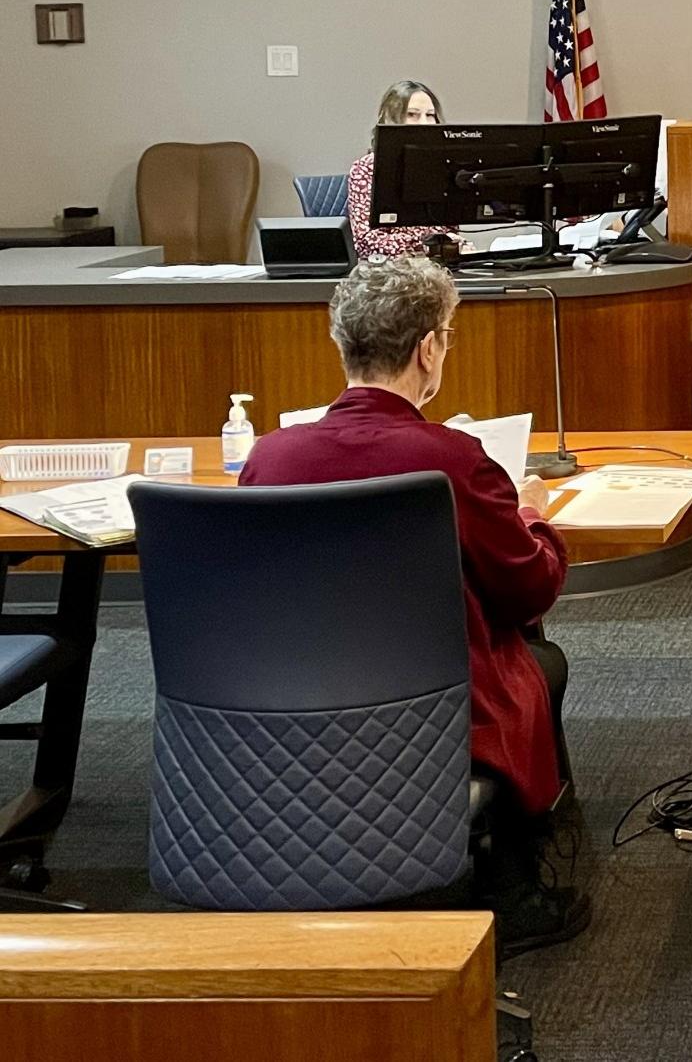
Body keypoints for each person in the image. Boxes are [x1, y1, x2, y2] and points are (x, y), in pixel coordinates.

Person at [240, 257, 590, 956]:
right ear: (428, 347)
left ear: (343, 345)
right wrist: (533, 518)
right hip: (436, 710)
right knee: (539, 663)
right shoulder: (454, 458)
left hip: (285, 700)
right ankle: (512, 888)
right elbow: (528, 591)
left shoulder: (270, 459)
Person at [345, 80, 466, 259]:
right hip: (388, 270)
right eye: (412, 114)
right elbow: (366, 242)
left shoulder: (443, 167)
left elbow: (449, 231)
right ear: (392, 119)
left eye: (430, 115)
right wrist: (426, 243)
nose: (424, 123)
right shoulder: (366, 169)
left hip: (436, 267)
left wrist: (453, 244)